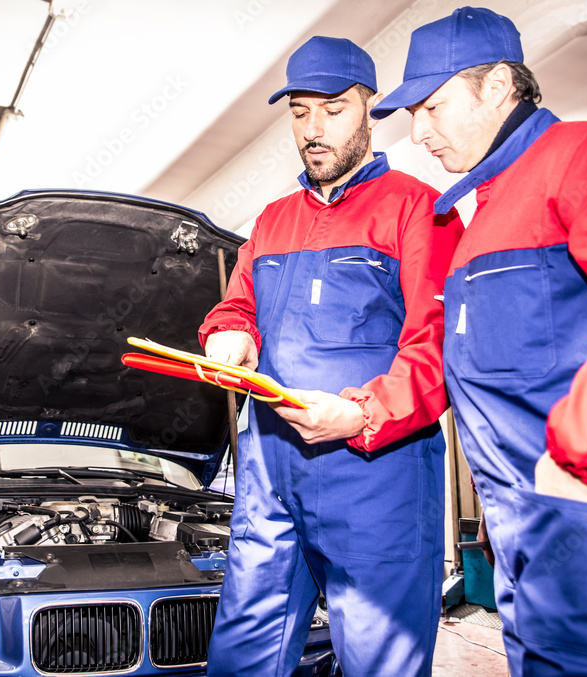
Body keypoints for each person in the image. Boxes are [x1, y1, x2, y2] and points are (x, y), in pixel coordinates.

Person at [371, 7, 587, 676]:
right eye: (412, 115)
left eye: (434, 106)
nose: (419, 132)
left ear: (497, 87)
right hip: (526, 541)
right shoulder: (477, 217)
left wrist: (580, 452)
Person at [199, 35, 463, 676]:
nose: (313, 130)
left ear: (369, 109)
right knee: (243, 653)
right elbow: (236, 308)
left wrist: (363, 416)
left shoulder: (419, 211)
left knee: (379, 659)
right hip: (269, 474)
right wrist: (227, 337)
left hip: (376, 480)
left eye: (334, 109)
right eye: (299, 112)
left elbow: (440, 344)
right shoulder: (271, 221)